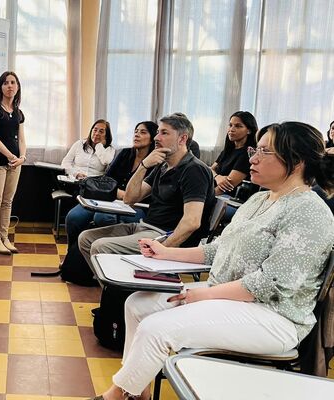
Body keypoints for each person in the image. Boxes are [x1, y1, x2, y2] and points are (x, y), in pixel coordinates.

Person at [91, 121, 334, 400]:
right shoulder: (260, 200)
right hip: (230, 299)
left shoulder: (309, 212)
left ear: (297, 161)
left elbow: (270, 283)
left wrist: (204, 295)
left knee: (157, 329)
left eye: (264, 152)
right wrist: (166, 252)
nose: (252, 158)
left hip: (273, 317)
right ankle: (138, 392)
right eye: (255, 149)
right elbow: (218, 249)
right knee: (138, 305)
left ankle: (116, 396)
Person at [78, 113, 215, 261]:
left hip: (163, 234)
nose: (156, 138)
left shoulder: (194, 169)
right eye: (157, 133)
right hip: (144, 227)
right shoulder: (162, 165)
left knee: (100, 246)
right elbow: (130, 199)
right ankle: (116, 283)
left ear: (182, 139)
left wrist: (163, 250)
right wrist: (143, 166)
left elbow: (192, 222)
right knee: (86, 238)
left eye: (164, 133)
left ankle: (123, 282)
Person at [65, 121, 157, 245]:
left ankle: (102, 255)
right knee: (73, 217)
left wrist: (127, 196)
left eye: (143, 132)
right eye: (135, 131)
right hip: (109, 199)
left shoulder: (156, 162)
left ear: (152, 138)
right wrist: (120, 194)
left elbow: (147, 195)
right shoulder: (124, 153)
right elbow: (106, 180)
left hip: (136, 206)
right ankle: (73, 257)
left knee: (102, 217)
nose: (137, 134)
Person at [0, 71, 26, 255]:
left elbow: (22, 140)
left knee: (7, 202)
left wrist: (22, 157)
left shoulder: (18, 113)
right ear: (0, 87)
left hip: (15, 164)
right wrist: (10, 156)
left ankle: (5, 237)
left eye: (13, 83)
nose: (10, 86)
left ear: (17, 87)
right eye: (6, 83)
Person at [211, 111, 258, 196]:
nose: (231, 129)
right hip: (214, 192)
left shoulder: (248, 153)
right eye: (230, 125)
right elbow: (210, 169)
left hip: (227, 197)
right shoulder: (229, 150)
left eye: (238, 126)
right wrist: (217, 177)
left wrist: (202, 199)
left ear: (249, 131)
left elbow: (226, 186)